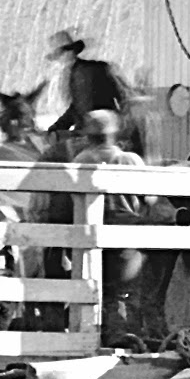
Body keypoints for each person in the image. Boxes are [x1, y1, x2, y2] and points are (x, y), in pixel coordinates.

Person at [72, 110, 157, 346]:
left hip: (92, 236)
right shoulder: (130, 160)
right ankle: (132, 336)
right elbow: (150, 199)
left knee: (103, 290)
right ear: (114, 133)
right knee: (131, 291)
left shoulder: (81, 160)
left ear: (88, 135)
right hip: (128, 235)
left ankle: (104, 336)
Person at [46, 30, 129, 136]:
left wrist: (58, 128)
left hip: (98, 130)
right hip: (109, 126)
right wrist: (58, 127)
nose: (59, 61)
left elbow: (83, 108)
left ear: (70, 52)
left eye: (59, 55)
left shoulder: (84, 72)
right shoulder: (95, 68)